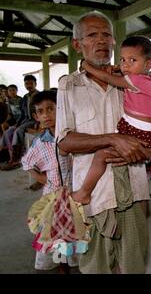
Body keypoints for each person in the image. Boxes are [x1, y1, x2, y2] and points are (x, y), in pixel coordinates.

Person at [56, 11, 151, 273]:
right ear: (77, 44)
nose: (101, 40)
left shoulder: (133, 81)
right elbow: (64, 142)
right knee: (95, 268)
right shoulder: (69, 85)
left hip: (133, 192)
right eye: (92, 35)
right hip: (92, 196)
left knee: (133, 267)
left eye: (107, 35)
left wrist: (148, 150)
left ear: (114, 42)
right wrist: (112, 139)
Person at [72, 35, 151, 204]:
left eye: (132, 60)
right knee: (141, 159)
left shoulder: (133, 80)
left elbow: (105, 78)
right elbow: (128, 70)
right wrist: (122, 68)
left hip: (137, 130)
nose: (125, 64)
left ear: (148, 64)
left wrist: (85, 65)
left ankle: (84, 192)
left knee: (101, 155)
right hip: (150, 132)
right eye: (122, 59)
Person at [21, 90, 78, 272]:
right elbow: (27, 163)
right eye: (40, 111)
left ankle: (70, 265)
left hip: (75, 195)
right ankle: (61, 267)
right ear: (36, 116)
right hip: (52, 198)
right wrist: (43, 178)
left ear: (60, 109)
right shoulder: (40, 143)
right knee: (54, 237)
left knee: (74, 235)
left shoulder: (74, 137)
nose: (46, 115)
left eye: (51, 109)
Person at [0, 75, 38, 170]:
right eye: (26, 83)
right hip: (26, 120)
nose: (28, 85)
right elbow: (22, 113)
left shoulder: (39, 95)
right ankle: (9, 156)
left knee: (18, 131)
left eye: (31, 83)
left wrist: (39, 122)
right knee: (9, 131)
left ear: (35, 84)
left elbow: (40, 110)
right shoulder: (25, 97)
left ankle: (16, 159)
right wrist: (17, 124)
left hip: (35, 119)